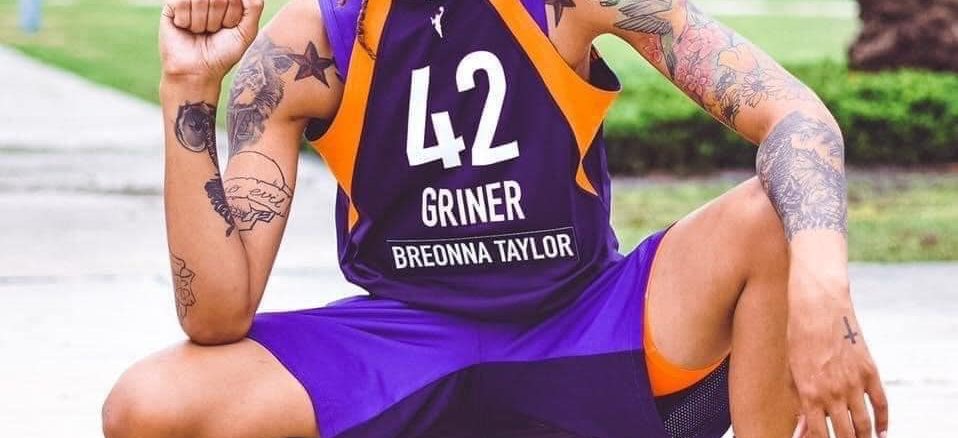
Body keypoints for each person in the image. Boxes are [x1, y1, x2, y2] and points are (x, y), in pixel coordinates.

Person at [102, 0, 889, 437]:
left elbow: (795, 118)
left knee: (771, 216)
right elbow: (217, 314)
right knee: (151, 405)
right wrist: (189, 86)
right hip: (404, 348)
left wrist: (823, 289)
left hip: (581, 330)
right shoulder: (309, 45)